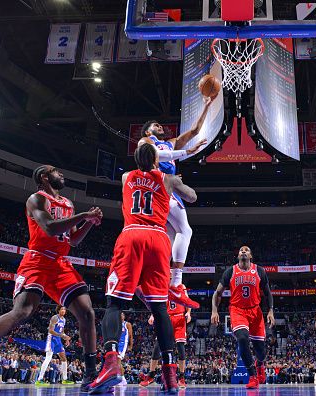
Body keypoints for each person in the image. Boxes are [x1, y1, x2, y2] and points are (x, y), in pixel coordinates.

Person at [0, 165, 102, 394]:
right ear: (44, 177)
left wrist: (88, 223)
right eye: (56, 171)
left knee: (87, 313)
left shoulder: (68, 204)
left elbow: (73, 240)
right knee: (23, 312)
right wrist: (84, 215)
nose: (62, 174)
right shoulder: (36, 199)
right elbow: (48, 227)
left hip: (61, 263)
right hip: (37, 260)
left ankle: (91, 375)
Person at [89, 143, 198, 394]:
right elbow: (192, 196)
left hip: (132, 235)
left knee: (115, 303)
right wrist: (177, 183)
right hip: (158, 240)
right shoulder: (167, 179)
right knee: (160, 308)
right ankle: (170, 373)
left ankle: (111, 360)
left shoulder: (127, 176)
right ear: (157, 160)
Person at [137, 97, 212, 309]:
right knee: (185, 231)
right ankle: (177, 283)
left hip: (167, 190)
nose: (160, 126)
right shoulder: (146, 143)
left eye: (160, 124)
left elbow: (196, 131)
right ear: (147, 132)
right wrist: (186, 153)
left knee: (167, 241)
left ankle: (154, 281)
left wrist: (207, 105)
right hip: (157, 188)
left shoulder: (170, 143)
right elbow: (156, 156)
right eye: (155, 125)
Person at [211, 246, 275, 389]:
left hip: (255, 311)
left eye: (246, 250)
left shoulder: (259, 271)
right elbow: (217, 293)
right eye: (241, 250)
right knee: (242, 338)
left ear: (250, 255)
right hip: (237, 310)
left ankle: (260, 364)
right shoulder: (230, 271)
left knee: (261, 351)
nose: (243, 251)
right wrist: (214, 310)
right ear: (238, 255)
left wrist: (270, 311)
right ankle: (252, 375)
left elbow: (268, 292)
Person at [139, 285, 192, 389]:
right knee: (157, 347)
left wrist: (189, 313)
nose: (171, 273)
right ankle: (151, 375)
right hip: (166, 318)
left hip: (179, 318)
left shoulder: (182, 286)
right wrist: (152, 315)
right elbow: (157, 303)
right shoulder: (162, 285)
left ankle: (181, 377)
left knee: (181, 348)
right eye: (170, 271)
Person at [36, 306, 74, 386]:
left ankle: (65, 379)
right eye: (62, 309)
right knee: (48, 358)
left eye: (64, 309)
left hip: (58, 340)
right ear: (58, 310)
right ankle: (39, 379)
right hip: (51, 339)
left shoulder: (64, 320)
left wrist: (66, 338)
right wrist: (62, 336)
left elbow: (62, 331)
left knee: (64, 358)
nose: (63, 311)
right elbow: (50, 330)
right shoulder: (55, 318)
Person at [116, 312, 133, 387]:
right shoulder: (116, 324)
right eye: (119, 314)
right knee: (117, 362)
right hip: (117, 343)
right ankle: (122, 379)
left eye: (122, 314)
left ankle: (122, 379)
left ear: (124, 316)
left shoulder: (127, 324)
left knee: (118, 361)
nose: (121, 315)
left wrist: (130, 346)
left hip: (123, 344)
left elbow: (131, 336)